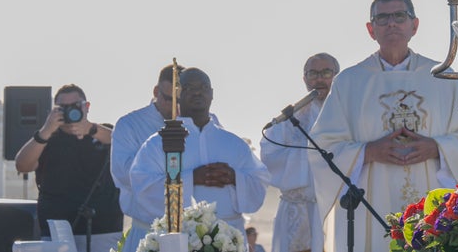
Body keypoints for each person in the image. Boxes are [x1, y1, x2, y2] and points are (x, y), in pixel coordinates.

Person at [308, 0, 458, 252]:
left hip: (432, 195)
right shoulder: (349, 82)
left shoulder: (445, 79)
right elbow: (322, 148)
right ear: (370, 29)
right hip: (371, 201)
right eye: (382, 18)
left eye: (399, 16)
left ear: (415, 25)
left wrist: (437, 148)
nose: (391, 23)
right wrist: (367, 151)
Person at [130, 68, 269, 234]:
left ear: (211, 93)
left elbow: (259, 183)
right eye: (189, 88)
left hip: (228, 237)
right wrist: (191, 179)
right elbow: (143, 188)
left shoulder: (233, 144)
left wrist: (234, 177)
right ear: (178, 95)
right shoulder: (158, 143)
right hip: (181, 237)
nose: (197, 93)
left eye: (203, 87)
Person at [14, 84, 122, 242]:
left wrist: (90, 130)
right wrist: (46, 130)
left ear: (87, 106)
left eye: (75, 106)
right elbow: (22, 165)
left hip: (104, 230)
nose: (70, 111)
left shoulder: (102, 132)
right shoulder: (46, 139)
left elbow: (122, 143)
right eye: (63, 107)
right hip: (57, 232)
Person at [261, 53, 339, 252]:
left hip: (337, 208)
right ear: (304, 79)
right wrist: (309, 154)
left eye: (326, 73)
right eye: (313, 73)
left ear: (336, 76)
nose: (319, 79)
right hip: (298, 208)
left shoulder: (347, 112)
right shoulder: (290, 117)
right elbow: (269, 155)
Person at [111, 64, 179, 252]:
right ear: (156, 91)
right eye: (169, 99)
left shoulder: (203, 123)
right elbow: (125, 175)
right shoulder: (129, 125)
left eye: (180, 101)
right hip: (146, 231)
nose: (175, 107)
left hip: (191, 232)